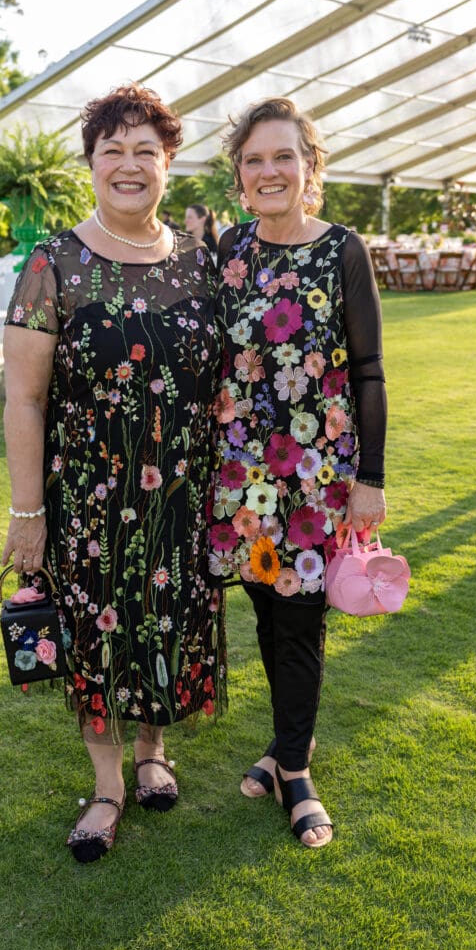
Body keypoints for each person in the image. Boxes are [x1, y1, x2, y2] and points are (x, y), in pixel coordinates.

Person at [1, 83, 224, 864]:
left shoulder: (203, 263)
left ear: (167, 164)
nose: (128, 165)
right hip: (89, 501)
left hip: (182, 500)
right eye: (111, 151)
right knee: (97, 641)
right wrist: (28, 514)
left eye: (145, 151)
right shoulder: (52, 264)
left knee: (165, 624)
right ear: (90, 165)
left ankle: (154, 749)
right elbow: (24, 400)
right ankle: (106, 787)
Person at [209, 97, 387, 850]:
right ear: (239, 177)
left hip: (316, 478)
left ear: (309, 168)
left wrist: (369, 478)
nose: (269, 170)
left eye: (284, 156)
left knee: (301, 622)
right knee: (262, 607)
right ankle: (287, 750)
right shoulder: (227, 250)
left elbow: (370, 371)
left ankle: (295, 772)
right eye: (255, 159)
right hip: (243, 474)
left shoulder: (342, 248)